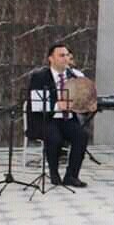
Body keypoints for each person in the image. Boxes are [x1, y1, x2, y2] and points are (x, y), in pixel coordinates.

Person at [26, 43, 89, 187]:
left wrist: (85, 102)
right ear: (51, 59)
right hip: (46, 119)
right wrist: (57, 105)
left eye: (67, 55)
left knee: (82, 136)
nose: (65, 58)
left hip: (67, 119)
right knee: (54, 137)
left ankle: (71, 176)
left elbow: (83, 99)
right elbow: (35, 104)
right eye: (61, 55)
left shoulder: (75, 76)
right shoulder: (40, 77)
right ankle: (54, 173)